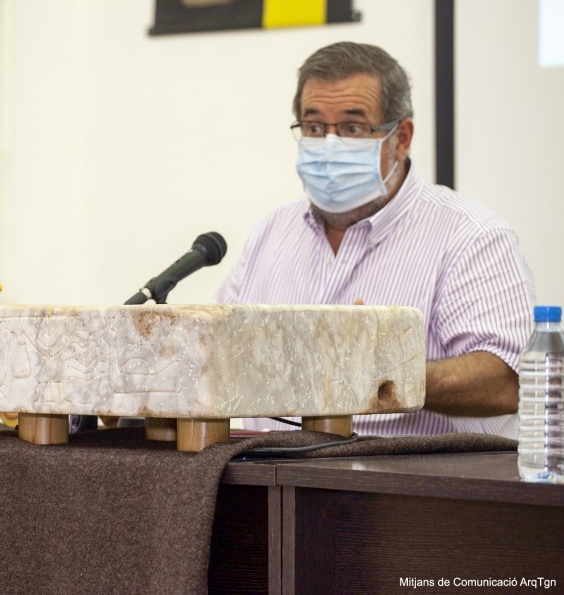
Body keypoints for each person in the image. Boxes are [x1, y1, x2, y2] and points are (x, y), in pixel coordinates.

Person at [216, 42, 534, 438]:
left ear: (401, 137)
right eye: (315, 128)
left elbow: (505, 382)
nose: (329, 146)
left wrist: (380, 371)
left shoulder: (471, 235)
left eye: (352, 128)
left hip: (403, 491)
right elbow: (216, 355)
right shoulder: (271, 231)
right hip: (267, 483)